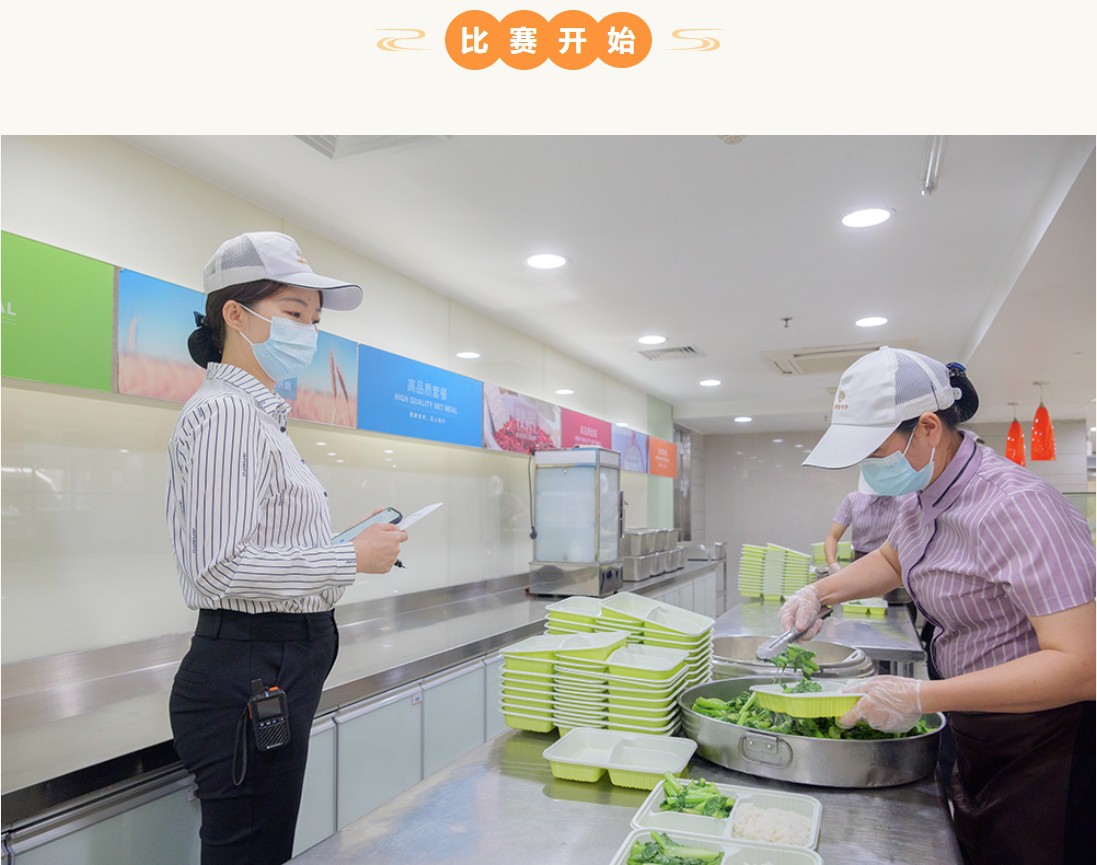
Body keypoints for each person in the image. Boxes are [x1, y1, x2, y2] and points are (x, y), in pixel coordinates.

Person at [782, 347, 1094, 865]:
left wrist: (920, 696)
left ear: (928, 427)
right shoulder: (922, 494)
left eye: (875, 450)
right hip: (973, 721)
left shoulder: (1017, 506)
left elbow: (1082, 666)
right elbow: (893, 558)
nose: (868, 467)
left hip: (1042, 742)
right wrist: (820, 593)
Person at [166, 231, 408, 865]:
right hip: (249, 666)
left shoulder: (260, 416)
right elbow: (218, 569)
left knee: (262, 847)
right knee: (251, 852)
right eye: (294, 313)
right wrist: (349, 558)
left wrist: (340, 544)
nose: (308, 332)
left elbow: (255, 546)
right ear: (235, 314)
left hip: (271, 664)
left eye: (315, 321)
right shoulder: (224, 414)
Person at [823, 488, 908, 574]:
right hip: (859, 560)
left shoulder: (904, 500)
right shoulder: (853, 498)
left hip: (891, 561)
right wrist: (832, 564)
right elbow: (833, 537)